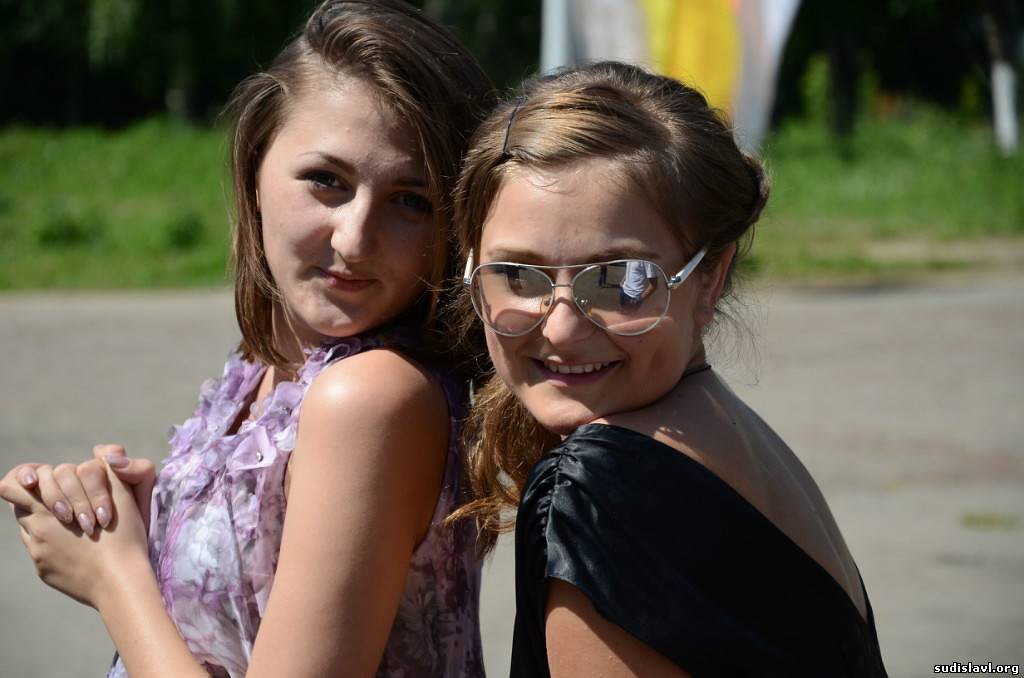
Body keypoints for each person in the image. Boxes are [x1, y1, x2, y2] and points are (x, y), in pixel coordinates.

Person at [0, 1, 493, 676]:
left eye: (412, 200)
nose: (355, 239)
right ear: (256, 164)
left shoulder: (369, 396)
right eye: (326, 181)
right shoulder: (270, 362)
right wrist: (146, 528)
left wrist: (112, 578)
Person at [451, 62, 888, 677]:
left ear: (708, 277)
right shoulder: (732, 435)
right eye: (518, 276)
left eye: (622, 279)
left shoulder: (602, 492)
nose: (561, 329)